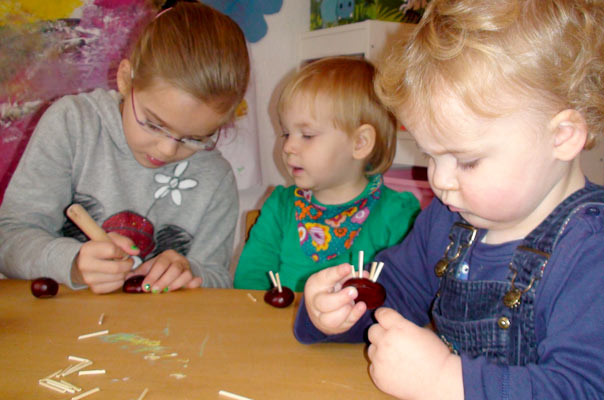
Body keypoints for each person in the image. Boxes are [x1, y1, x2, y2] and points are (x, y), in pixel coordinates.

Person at [294, 0, 604, 399]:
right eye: (430, 155)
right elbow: (391, 297)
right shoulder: (448, 220)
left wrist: (445, 380)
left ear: (561, 137)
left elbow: (583, 388)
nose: (439, 180)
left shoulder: (591, 251)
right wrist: (334, 313)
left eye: (467, 161)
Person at [0, 2, 250, 294]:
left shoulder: (216, 178)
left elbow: (218, 278)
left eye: (196, 138)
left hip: (160, 335)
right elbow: (8, 238)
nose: (168, 150)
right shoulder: (73, 124)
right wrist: (72, 263)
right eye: (154, 124)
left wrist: (191, 272)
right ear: (125, 80)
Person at [234, 57, 420, 292]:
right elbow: (248, 284)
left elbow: (409, 297)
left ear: (360, 143)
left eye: (307, 135)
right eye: (285, 134)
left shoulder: (398, 217)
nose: (288, 147)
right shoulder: (281, 207)